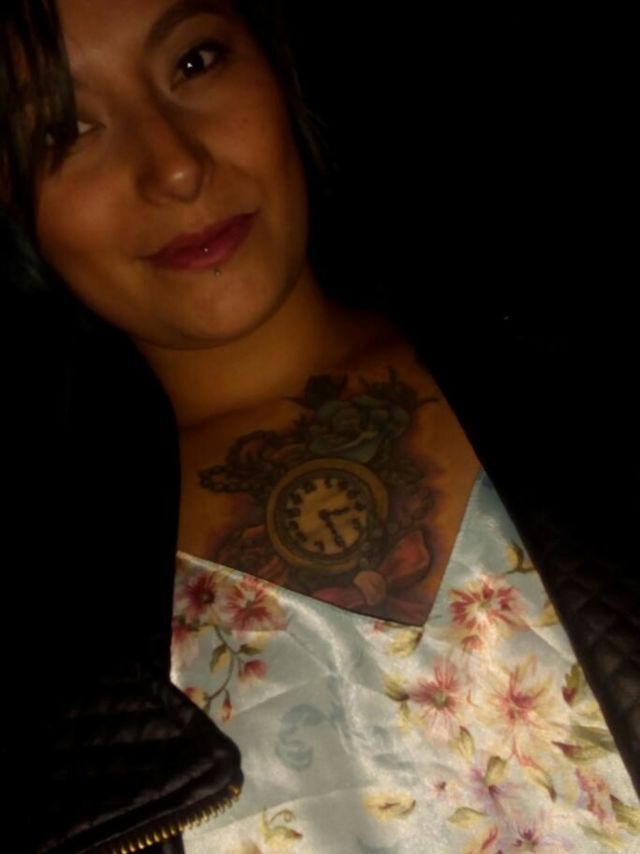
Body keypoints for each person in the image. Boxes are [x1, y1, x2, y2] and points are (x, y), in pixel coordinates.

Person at [1, 1, 638, 852]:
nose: (176, 167)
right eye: (64, 130)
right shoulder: (39, 628)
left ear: (277, 62)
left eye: (195, 63)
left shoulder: (587, 386)